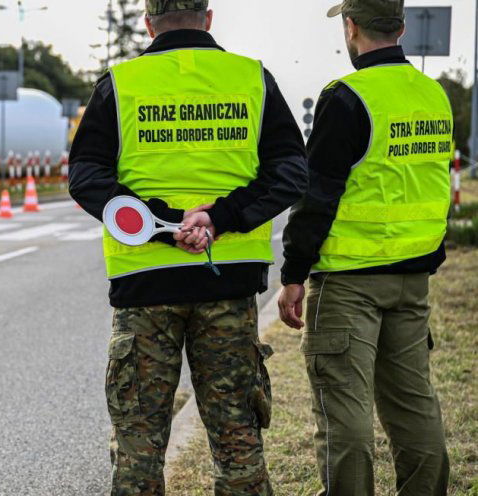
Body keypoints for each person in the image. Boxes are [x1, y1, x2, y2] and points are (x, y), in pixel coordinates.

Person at [68, 1, 307, 493]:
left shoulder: (121, 84)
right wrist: (220, 218)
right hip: (229, 281)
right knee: (238, 442)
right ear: (209, 18)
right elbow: (290, 172)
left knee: (138, 448)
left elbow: (86, 175)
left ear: (149, 23)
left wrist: (161, 225)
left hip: (145, 286)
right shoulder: (252, 79)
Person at [278, 1, 452, 494]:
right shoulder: (431, 95)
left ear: (351, 27)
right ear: (400, 27)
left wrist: (294, 273)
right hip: (413, 281)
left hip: (349, 281)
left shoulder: (347, 97)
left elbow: (318, 195)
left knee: (344, 415)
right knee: (415, 405)